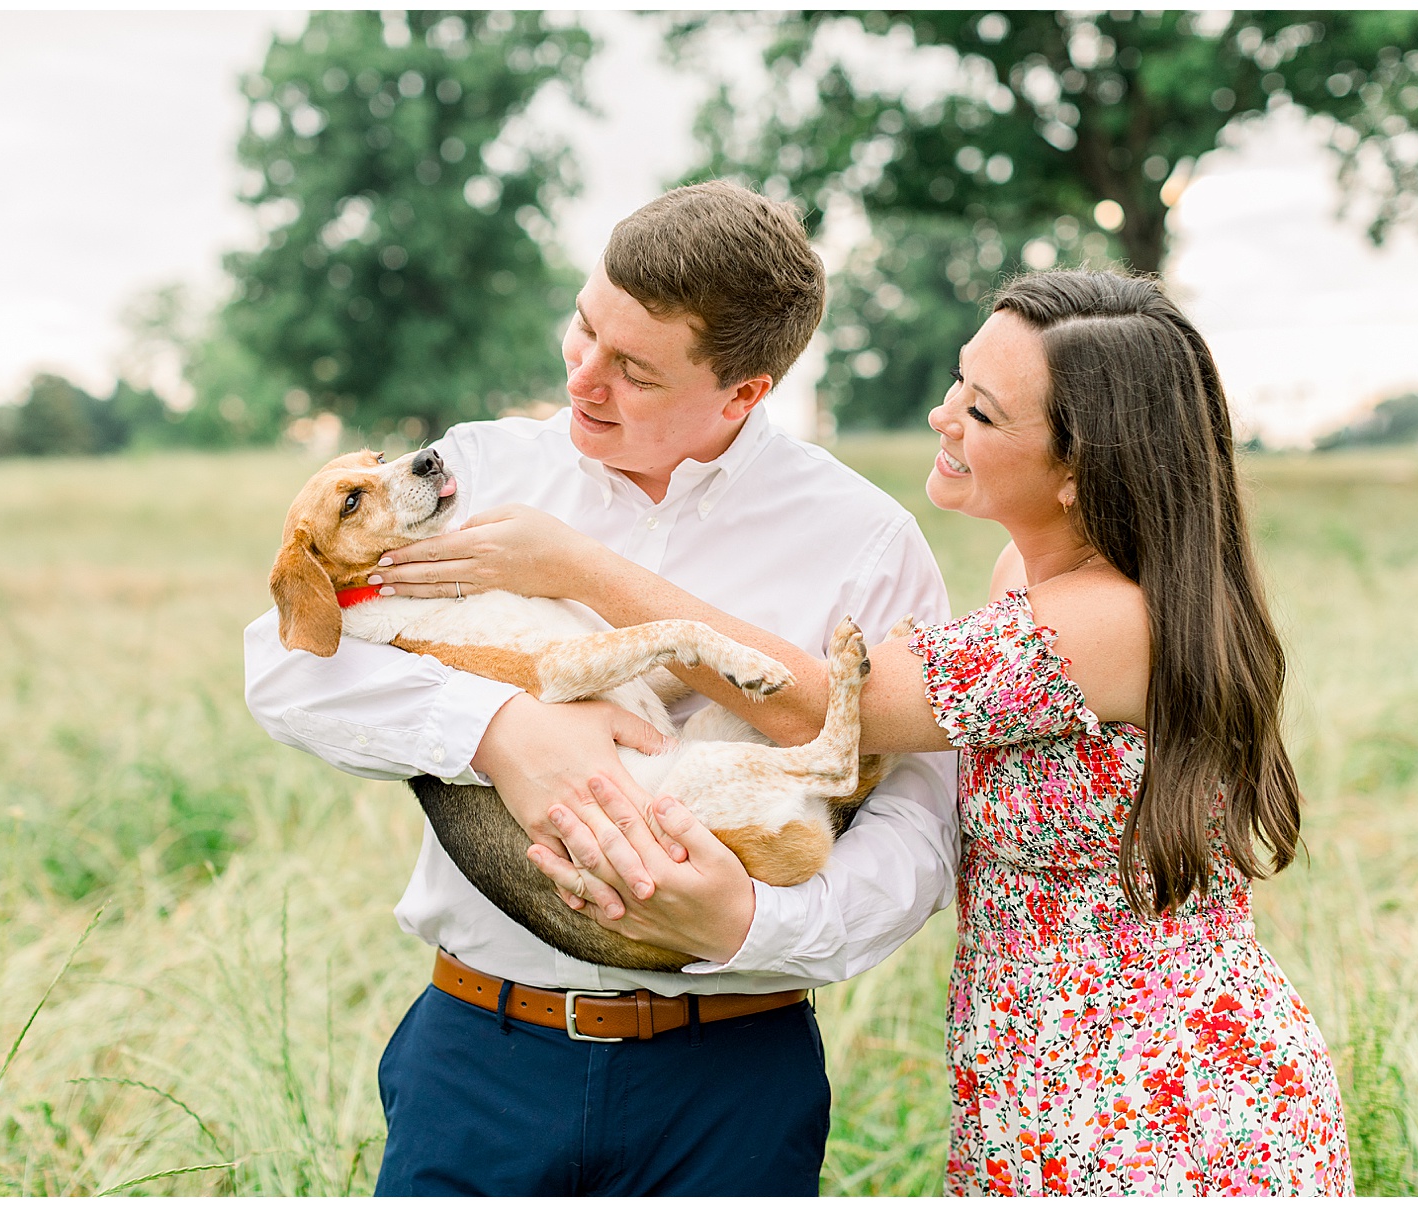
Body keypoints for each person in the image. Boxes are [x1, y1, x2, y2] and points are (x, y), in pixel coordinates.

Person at [384, 270, 1354, 1194]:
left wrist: (580, 570)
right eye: (958, 383)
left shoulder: (1101, 622)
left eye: (982, 411)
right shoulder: (1026, 575)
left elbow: (824, 710)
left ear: (1079, 469)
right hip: (1038, 1059)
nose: (944, 416)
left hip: (1158, 1086)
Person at [242, 180, 961, 1196]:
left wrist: (753, 928)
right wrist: (501, 729)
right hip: (482, 1048)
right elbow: (282, 663)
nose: (584, 379)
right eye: (584, 329)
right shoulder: (476, 471)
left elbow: (924, 818)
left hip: (732, 1076)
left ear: (744, 392)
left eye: (633, 368)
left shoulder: (862, 539)